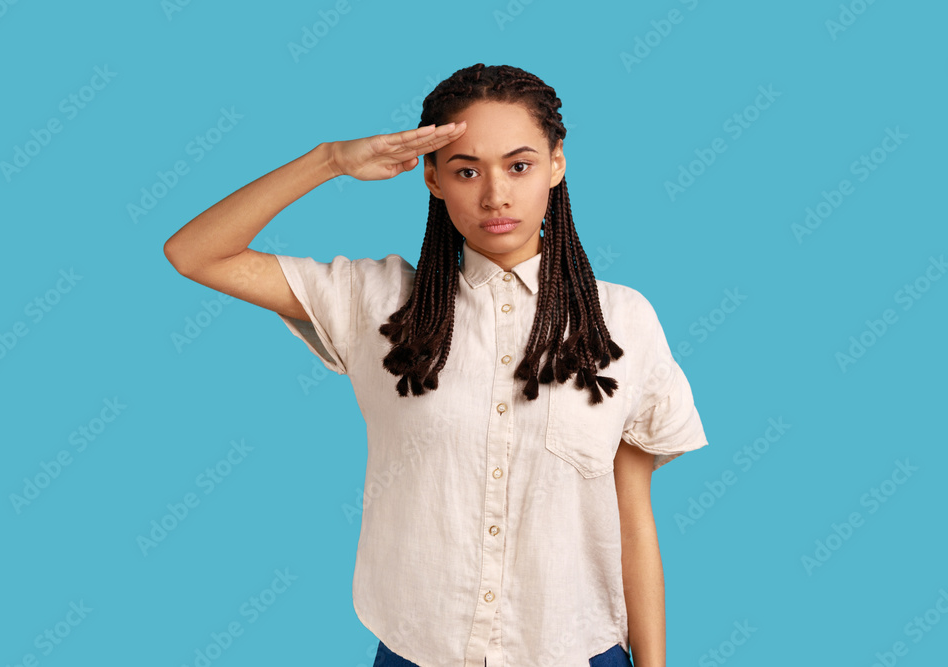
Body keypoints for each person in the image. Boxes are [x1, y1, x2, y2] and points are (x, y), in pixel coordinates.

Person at [164, 63, 708, 667]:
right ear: (431, 176)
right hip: (419, 651)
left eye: (519, 165)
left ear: (557, 164)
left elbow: (632, 520)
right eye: (467, 170)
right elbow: (194, 253)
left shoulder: (624, 320)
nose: (495, 193)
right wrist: (330, 161)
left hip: (579, 651)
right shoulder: (373, 303)